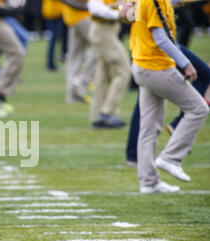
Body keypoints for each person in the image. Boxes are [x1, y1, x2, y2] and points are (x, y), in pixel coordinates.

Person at [128, 0, 208, 194]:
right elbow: (161, 39)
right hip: (156, 67)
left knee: (149, 127)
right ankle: (171, 158)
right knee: (199, 109)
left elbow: (130, 15)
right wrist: (185, 63)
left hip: (141, 65)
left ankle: (148, 181)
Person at [87, 0, 130, 128]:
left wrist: (118, 6)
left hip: (106, 32)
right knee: (124, 72)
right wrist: (119, 13)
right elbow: (95, 7)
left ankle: (97, 116)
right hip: (104, 32)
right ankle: (108, 113)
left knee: (103, 76)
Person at [61, 0, 96, 104]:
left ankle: (72, 94)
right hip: (81, 16)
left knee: (74, 56)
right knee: (101, 45)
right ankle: (83, 80)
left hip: (73, 16)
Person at [42, 0, 65, 71]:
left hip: (52, 12)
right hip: (54, 13)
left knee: (54, 39)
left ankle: (52, 63)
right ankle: (51, 64)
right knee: (53, 39)